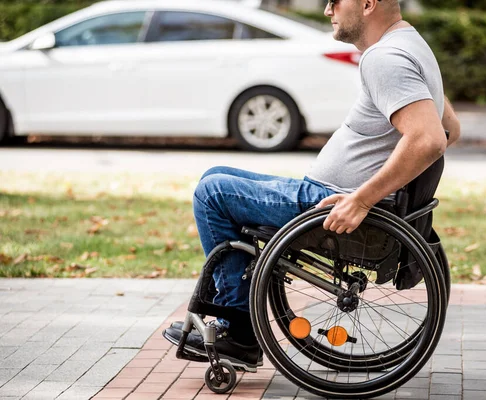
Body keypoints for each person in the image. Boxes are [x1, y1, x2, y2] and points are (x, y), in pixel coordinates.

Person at [163, 0, 461, 368]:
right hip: (336, 194)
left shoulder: (385, 58)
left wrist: (363, 200)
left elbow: (430, 140)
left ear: (367, 3)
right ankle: (236, 323)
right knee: (215, 177)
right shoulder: (412, 44)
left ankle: (237, 330)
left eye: (335, 1)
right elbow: (452, 129)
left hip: (331, 203)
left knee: (213, 193)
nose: (327, 9)